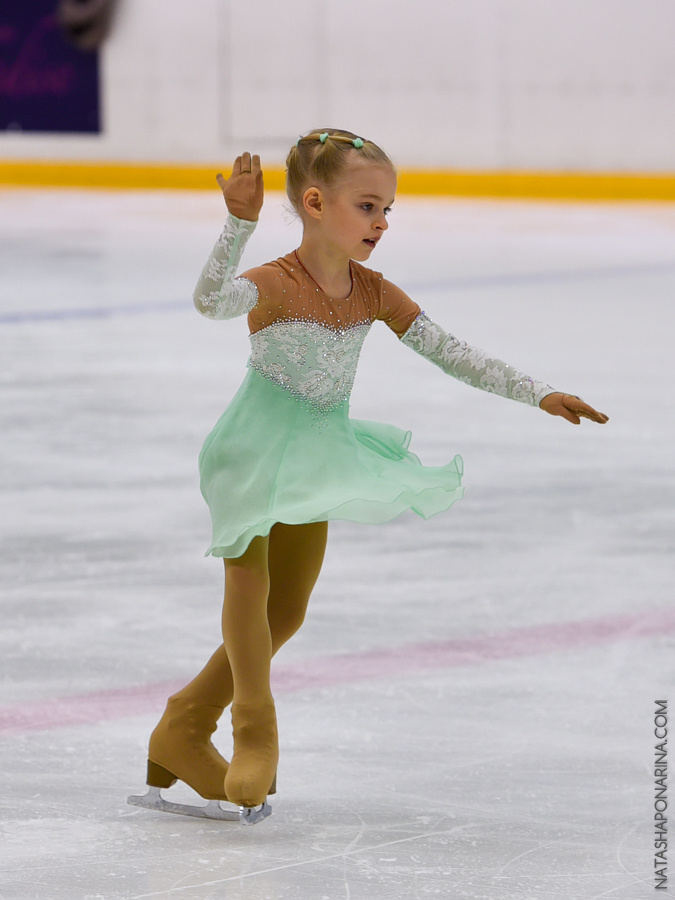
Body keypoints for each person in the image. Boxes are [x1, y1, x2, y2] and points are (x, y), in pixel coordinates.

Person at [128, 128, 608, 825]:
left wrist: (537, 392)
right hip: (253, 451)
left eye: (387, 209)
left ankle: (183, 722)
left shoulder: (372, 292)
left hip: (319, 451)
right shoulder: (274, 282)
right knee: (249, 580)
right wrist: (237, 223)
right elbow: (208, 302)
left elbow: (453, 354)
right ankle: (253, 728)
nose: (382, 223)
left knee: (286, 610)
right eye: (368, 207)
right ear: (316, 203)